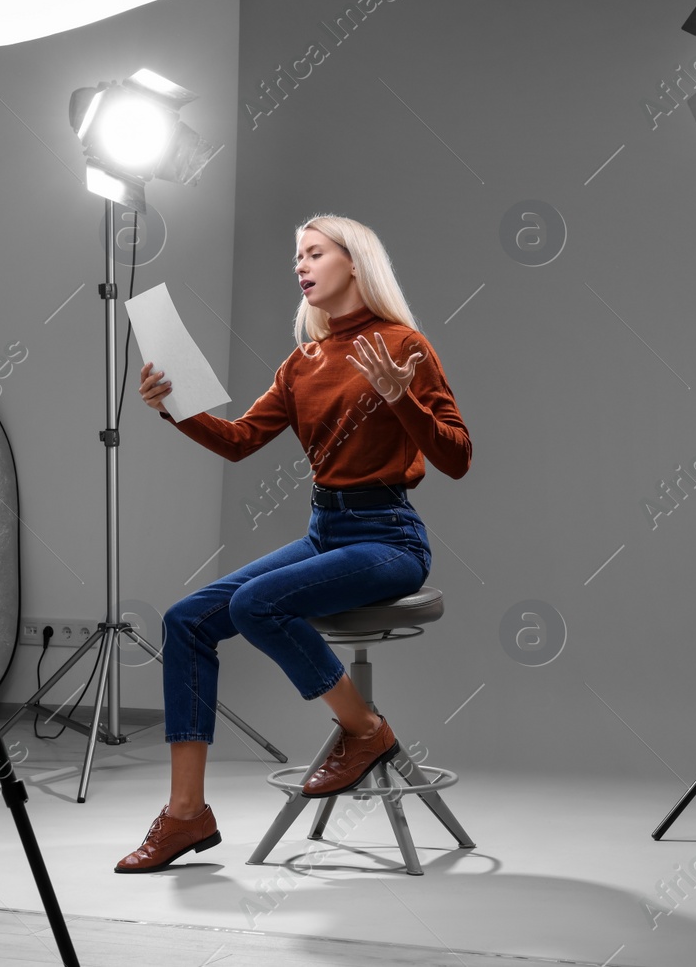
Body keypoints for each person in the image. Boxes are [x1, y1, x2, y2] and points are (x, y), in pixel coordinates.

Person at [116, 213, 471, 873]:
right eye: (296, 258)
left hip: (389, 537)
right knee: (186, 620)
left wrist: (402, 400)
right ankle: (186, 814)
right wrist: (173, 406)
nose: (301, 266)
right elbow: (241, 439)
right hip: (326, 532)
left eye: (314, 253)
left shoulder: (403, 344)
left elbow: (458, 457)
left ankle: (365, 730)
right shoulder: (302, 362)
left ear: (354, 263)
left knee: (256, 605)